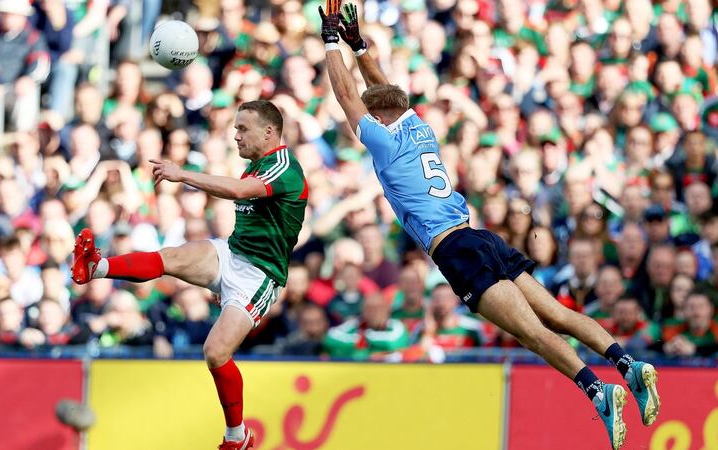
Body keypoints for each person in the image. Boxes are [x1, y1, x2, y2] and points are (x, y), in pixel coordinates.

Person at [319, 2, 659, 448]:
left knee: (532, 333)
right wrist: (358, 44)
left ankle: (599, 391)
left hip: (454, 249)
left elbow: (348, 97)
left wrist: (329, 40)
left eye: (370, 115)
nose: (361, 121)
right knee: (557, 313)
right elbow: (384, 92)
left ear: (379, 119)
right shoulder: (418, 127)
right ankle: (626, 365)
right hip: (481, 236)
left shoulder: (383, 142)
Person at [70, 100, 307, 450]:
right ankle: (97, 267)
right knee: (171, 257)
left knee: (215, 352)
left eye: (243, 128)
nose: (236, 135)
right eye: (236, 127)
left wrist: (183, 175)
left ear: (269, 131)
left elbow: (240, 192)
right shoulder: (256, 166)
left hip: (259, 276)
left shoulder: (283, 167)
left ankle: (237, 437)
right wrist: (217, 280)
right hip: (233, 253)